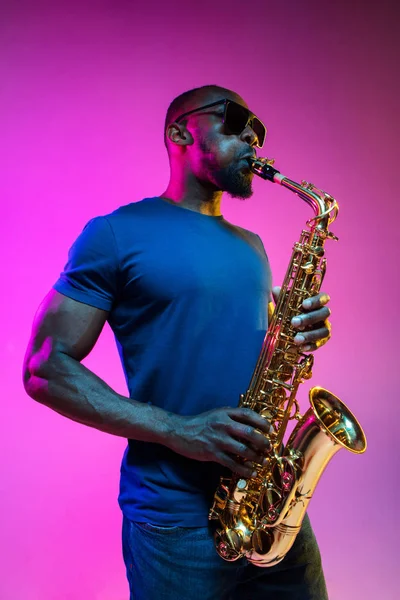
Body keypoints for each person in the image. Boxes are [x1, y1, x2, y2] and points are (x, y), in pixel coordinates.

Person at [23, 85, 331, 599]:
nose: (252, 140)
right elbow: (44, 367)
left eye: (258, 132)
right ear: (178, 132)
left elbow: (243, 342)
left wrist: (297, 325)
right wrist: (177, 429)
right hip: (175, 524)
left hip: (272, 508)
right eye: (236, 123)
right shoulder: (117, 234)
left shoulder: (252, 246)